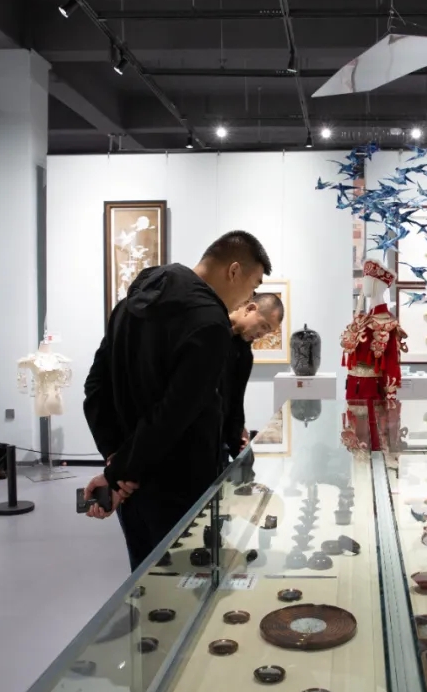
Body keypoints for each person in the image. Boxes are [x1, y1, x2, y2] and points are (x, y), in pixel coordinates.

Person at [82, 230, 271, 571]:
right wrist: (122, 468)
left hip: (132, 486)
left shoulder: (126, 307)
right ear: (234, 271)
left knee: (144, 581)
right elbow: (173, 415)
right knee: (187, 585)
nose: (249, 297)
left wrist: (116, 464)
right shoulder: (210, 323)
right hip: (183, 486)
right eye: (253, 285)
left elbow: (95, 388)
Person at [223, 293, 285, 457]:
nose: (261, 335)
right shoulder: (213, 331)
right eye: (263, 326)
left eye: (267, 331)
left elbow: (235, 401)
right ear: (250, 308)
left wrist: (238, 435)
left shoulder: (244, 354)